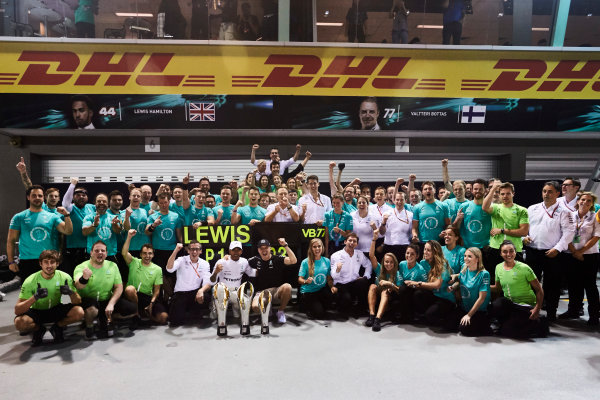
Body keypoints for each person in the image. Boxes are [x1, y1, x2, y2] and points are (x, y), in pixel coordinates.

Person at [523, 181, 575, 321]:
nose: (546, 194)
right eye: (544, 191)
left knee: (552, 285)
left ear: (558, 193)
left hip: (553, 253)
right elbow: (523, 227)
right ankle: (529, 311)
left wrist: (557, 248)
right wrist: (524, 237)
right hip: (533, 252)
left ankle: (551, 314)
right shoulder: (532, 208)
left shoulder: (564, 211)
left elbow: (569, 233)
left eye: (550, 191)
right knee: (530, 284)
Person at [14, 250, 84, 346]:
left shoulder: (64, 277)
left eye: (52, 262)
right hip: (37, 311)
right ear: (40, 264)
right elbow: (17, 310)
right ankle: (39, 330)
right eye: (46, 262)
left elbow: (78, 301)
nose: (49, 266)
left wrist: (70, 292)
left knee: (79, 312)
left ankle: (57, 327)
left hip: (56, 308)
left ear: (57, 264)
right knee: (20, 323)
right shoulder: (30, 280)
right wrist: (35, 297)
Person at [8, 185, 73, 281]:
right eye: (34, 196)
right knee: (29, 294)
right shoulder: (19, 217)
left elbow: (68, 231)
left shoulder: (53, 217)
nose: (37, 198)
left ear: (43, 198)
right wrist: (11, 262)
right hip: (27, 261)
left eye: (40, 196)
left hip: (49, 261)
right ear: (28, 197)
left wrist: (66, 215)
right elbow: (11, 241)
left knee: (51, 292)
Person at [74, 241, 137, 339]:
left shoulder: (113, 265)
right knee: (92, 310)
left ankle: (108, 318)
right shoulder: (82, 267)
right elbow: (78, 286)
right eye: (96, 251)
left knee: (132, 309)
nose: (100, 253)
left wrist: (111, 303)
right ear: (91, 253)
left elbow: (119, 287)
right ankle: (89, 326)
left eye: (103, 251)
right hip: (89, 300)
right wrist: (84, 278)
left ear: (106, 253)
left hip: (106, 300)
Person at [490, 240, 548, 339]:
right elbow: (497, 288)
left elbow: (539, 290)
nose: (508, 254)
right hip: (511, 305)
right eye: (505, 251)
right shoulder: (498, 267)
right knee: (497, 305)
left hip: (525, 306)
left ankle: (538, 321)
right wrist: (481, 285)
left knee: (508, 331)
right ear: (500, 253)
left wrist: (537, 309)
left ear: (515, 252)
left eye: (511, 251)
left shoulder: (525, 268)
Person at [561, 192, 600, 325]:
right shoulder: (569, 216)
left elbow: (596, 236)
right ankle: (573, 310)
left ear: (592, 203)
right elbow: (565, 234)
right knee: (573, 284)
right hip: (571, 255)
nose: (585, 202)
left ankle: (594, 316)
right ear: (578, 201)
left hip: (589, 256)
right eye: (583, 199)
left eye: (589, 200)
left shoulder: (595, 217)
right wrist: (574, 251)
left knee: (590, 286)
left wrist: (581, 251)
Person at [482, 181, 529, 283]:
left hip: (514, 249)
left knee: (515, 280)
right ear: (499, 195)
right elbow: (484, 207)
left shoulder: (522, 210)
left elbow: (524, 231)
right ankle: (496, 300)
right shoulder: (496, 208)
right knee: (495, 280)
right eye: (502, 194)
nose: (505, 196)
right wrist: (493, 189)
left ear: (513, 194)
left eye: (508, 193)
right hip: (495, 249)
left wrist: (502, 231)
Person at [122, 230, 168, 325]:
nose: (147, 256)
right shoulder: (133, 262)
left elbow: (157, 291)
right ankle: (137, 314)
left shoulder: (157, 269)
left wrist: (151, 303)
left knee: (164, 317)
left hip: (147, 297)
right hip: (133, 296)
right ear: (140, 254)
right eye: (145, 253)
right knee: (129, 289)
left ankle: (145, 316)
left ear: (153, 255)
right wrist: (129, 237)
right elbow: (124, 252)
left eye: (150, 253)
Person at [249, 238, 297, 324]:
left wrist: (285, 245)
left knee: (287, 287)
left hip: (276, 291)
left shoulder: (278, 258)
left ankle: (280, 311)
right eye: (261, 248)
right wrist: (227, 257)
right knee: (255, 307)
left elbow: (293, 261)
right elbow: (240, 262)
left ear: (270, 248)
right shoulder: (255, 260)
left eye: (266, 247)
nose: (264, 250)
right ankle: (268, 307)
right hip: (262, 292)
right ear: (258, 250)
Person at [146, 193, 183, 302]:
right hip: (158, 251)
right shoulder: (153, 216)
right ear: (158, 204)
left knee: (172, 276)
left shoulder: (175, 216)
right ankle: (165, 299)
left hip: (172, 251)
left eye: (165, 202)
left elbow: (179, 235)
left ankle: (170, 300)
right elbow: (147, 232)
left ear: (169, 202)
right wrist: (154, 225)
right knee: (161, 277)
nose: (163, 205)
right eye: (161, 203)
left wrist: (183, 247)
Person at [166, 241, 213, 327]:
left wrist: (201, 290)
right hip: (181, 293)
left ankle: (195, 311)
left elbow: (208, 282)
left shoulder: (205, 263)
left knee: (206, 296)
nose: (194, 252)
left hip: (194, 293)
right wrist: (176, 250)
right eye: (192, 249)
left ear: (200, 251)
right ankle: (187, 311)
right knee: (175, 322)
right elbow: (169, 269)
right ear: (188, 250)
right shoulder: (181, 260)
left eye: (197, 249)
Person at [365, 230, 404, 331]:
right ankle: (371, 316)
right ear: (383, 262)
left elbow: (399, 290)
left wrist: (390, 284)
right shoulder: (379, 268)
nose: (388, 264)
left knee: (384, 291)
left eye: (391, 262)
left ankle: (378, 319)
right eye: (386, 262)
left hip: (388, 300)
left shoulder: (397, 273)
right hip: (376, 298)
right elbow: (371, 255)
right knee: (372, 286)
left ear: (394, 263)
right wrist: (374, 239)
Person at [412, 240, 456, 328]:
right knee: (418, 294)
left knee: (430, 316)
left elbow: (437, 285)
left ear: (435, 252)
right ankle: (427, 315)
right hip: (434, 294)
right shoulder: (423, 263)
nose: (425, 252)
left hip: (445, 298)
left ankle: (447, 318)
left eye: (429, 250)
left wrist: (419, 284)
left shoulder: (442, 264)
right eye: (424, 249)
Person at [330, 233, 375, 316]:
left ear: (357, 244)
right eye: (350, 240)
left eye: (354, 241)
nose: (352, 243)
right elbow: (333, 276)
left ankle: (361, 308)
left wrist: (366, 276)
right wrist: (337, 270)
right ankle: (341, 304)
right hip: (341, 284)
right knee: (345, 304)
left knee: (363, 282)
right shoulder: (335, 256)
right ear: (345, 242)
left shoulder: (359, 254)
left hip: (354, 282)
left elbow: (368, 264)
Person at [209, 241, 256, 317]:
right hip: (222, 291)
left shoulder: (244, 262)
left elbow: (252, 273)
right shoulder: (221, 262)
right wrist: (215, 272)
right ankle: (214, 305)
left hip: (236, 291)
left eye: (238, 250)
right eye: (234, 250)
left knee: (243, 309)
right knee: (216, 316)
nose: (236, 252)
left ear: (241, 251)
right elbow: (212, 280)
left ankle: (235, 308)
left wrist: (264, 268)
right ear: (230, 251)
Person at [61, 178, 96, 275]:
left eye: (83, 195)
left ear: (87, 197)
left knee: (88, 275)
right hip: (73, 248)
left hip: (89, 248)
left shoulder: (91, 207)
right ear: (73, 197)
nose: (81, 197)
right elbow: (65, 202)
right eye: (77, 195)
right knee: (73, 274)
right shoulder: (70, 208)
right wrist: (72, 185)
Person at [453, 178, 492, 252]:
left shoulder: (490, 207)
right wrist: (457, 219)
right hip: (468, 248)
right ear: (471, 190)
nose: (478, 191)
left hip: (485, 248)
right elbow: (456, 228)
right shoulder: (464, 206)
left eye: (480, 189)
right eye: (475, 189)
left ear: (486, 191)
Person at [298, 238, 332, 319]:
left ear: (322, 247)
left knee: (332, 299)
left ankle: (318, 305)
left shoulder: (326, 261)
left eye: (319, 246)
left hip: (321, 290)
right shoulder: (305, 262)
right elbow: (299, 279)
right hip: (309, 292)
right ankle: (307, 306)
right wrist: (306, 281)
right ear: (311, 248)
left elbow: (329, 278)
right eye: (314, 247)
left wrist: (332, 286)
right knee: (319, 314)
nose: (317, 249)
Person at [394, 244, 428, 323]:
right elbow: (400, 281)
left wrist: (415, 284)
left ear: (417, 256)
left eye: (412, 254)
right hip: (404, 291)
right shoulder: (402, 264)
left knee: (409, 291)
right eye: (407, 253)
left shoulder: (420, 270)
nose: (409, 255)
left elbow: (425, 287)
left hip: (416, 291)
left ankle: (410, 315)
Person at [82, 193, 121, 260]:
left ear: (108, 204)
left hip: (110, 254)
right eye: (99, 201)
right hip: (93, 255)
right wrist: (94, 225)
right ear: (95, 204)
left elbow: (118, 232)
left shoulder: (113, 217)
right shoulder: (89, 217)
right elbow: (84, 232)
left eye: (104, 201)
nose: (101, 203)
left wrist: (114, 225)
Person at [411, 181, 450, 245]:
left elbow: (448, 225)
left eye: (430, 189)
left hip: (439, 242)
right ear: (422, 192)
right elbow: (414, 227)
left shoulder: (444, 206)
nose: (428, 191)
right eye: (425, 189)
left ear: (434, 190)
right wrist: (415, 235)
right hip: (423, 242)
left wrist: (445, 232)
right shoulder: (417, 207)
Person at [381, 191, 413, 263]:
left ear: (405, 201)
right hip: (389, 246)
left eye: (401, 200)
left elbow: (411, 233)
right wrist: (383, 223)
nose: (399, 202)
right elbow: (382, 232)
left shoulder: (410, 215)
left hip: (404, 246)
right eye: (397, 200)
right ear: (394, 201)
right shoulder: (386, 214)